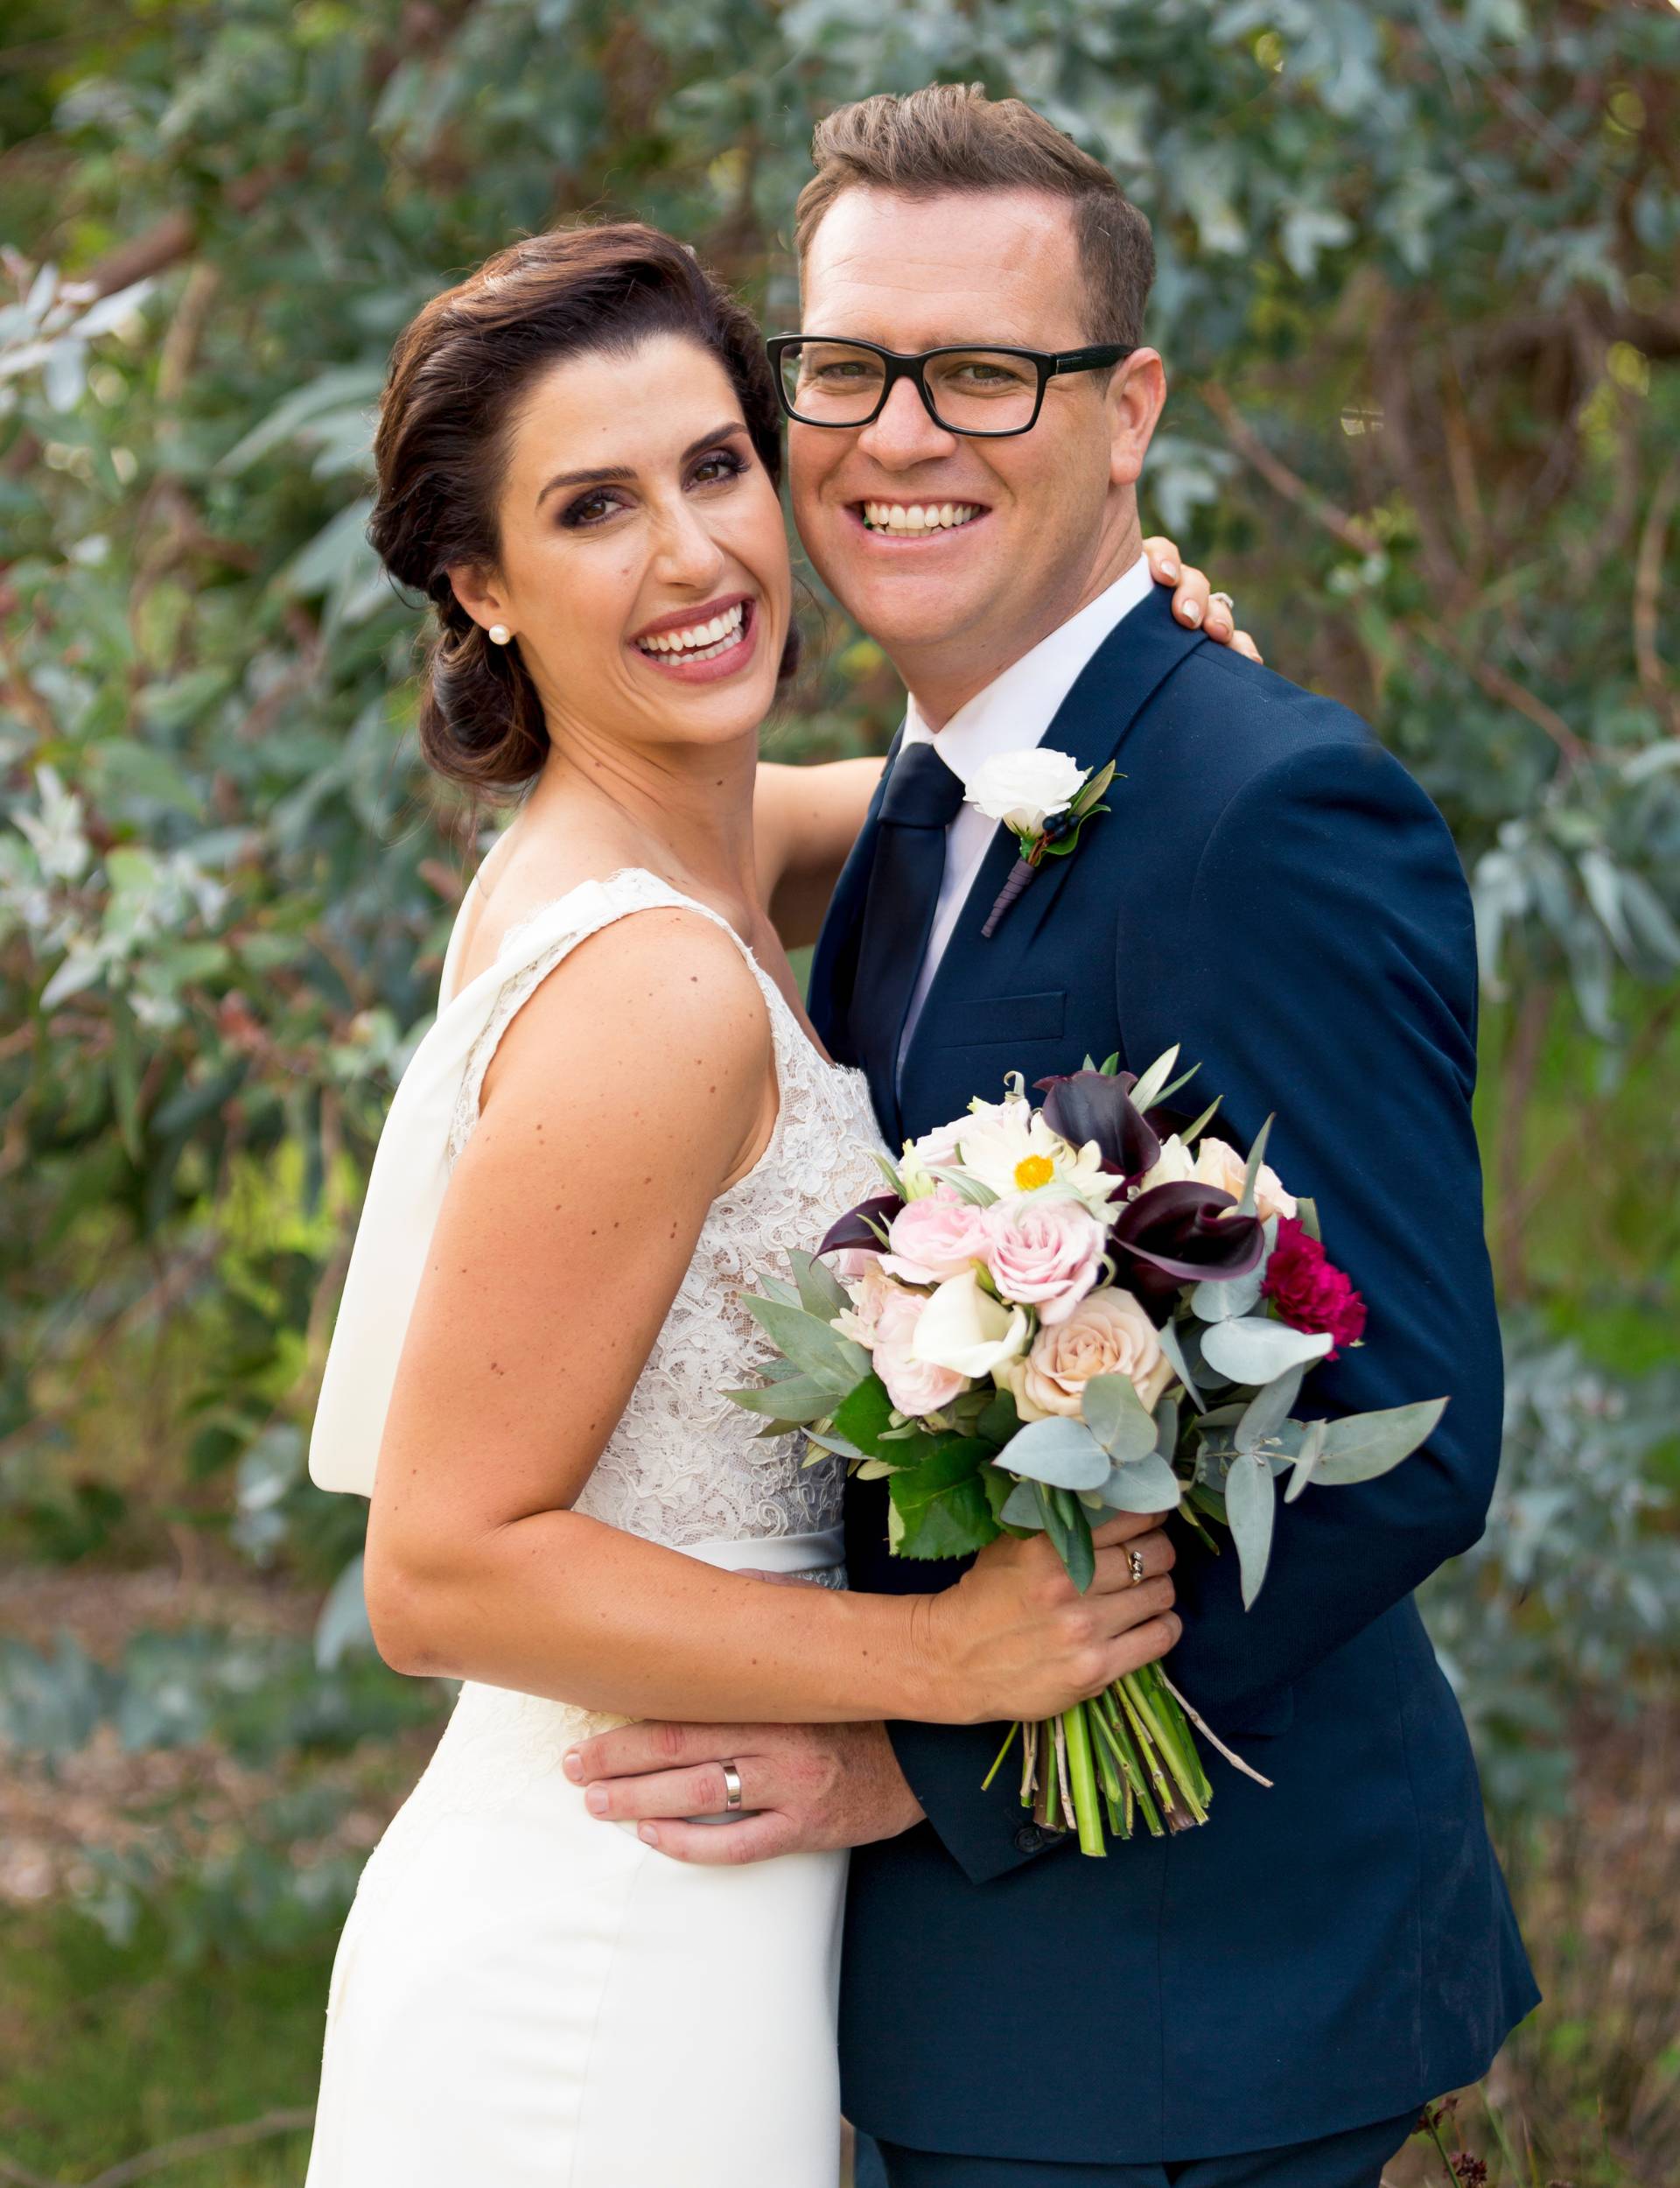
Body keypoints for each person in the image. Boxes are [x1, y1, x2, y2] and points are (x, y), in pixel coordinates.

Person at [568, 85, 1540, 2188]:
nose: (899, 435)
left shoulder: (1267, 813)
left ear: (1131, 412)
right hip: (976, 2009)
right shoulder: (931, 795)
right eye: (843, 369)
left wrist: (932, 1764)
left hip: (1180, 2005)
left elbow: (1415, 1423)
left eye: (990, 374)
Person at [301, 217, 1248, 2187]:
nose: (694, 557)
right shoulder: (644, 985)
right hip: (601, 1951)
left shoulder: (670, 855)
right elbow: (438, 1567)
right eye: (592, 509)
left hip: (698, 1902)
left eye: (715, 467)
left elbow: (932, 786)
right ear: (481, 587)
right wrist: (946, 1669)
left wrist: (1122, 642)